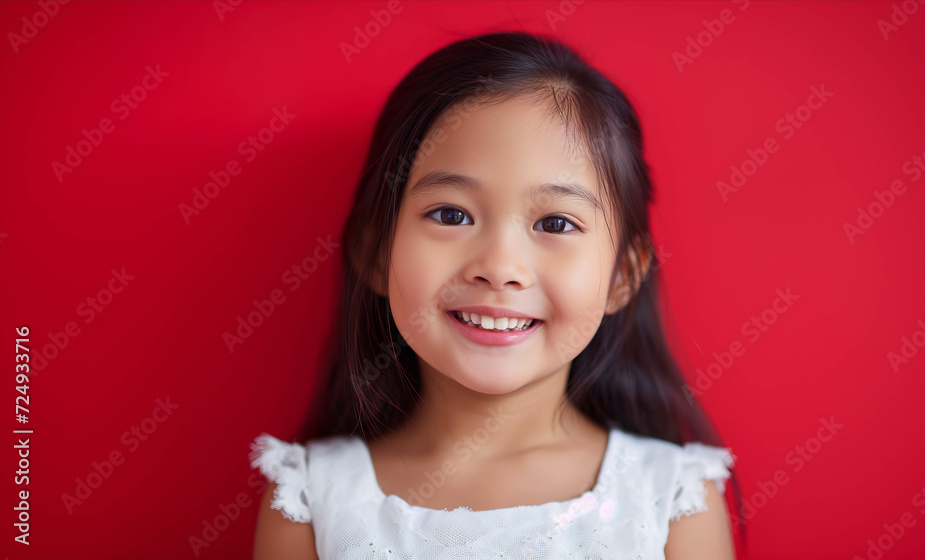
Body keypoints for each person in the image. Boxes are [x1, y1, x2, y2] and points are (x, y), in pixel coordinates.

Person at [249, 30, 746, 559]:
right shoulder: (312, 498)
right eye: (451, 214)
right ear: (376, 254)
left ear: (622, 276)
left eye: (556, 222)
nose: (500, 268)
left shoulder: (670, 501)